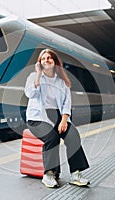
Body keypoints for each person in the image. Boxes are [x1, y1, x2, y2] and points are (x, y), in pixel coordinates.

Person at [24, 48, 90, 188]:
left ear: (54, 62)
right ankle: (49, 174)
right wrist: (38, 75)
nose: (46, 60)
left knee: (73, 136)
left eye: (49, 58)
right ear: (40, 62)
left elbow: (67, 102)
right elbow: (30, 93)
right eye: (43, 58)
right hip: (37, 118)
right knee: (52, 137)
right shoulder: (33, 77)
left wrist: (64, 120)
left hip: (59, 117)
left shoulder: (62, 80)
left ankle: (76, 174)